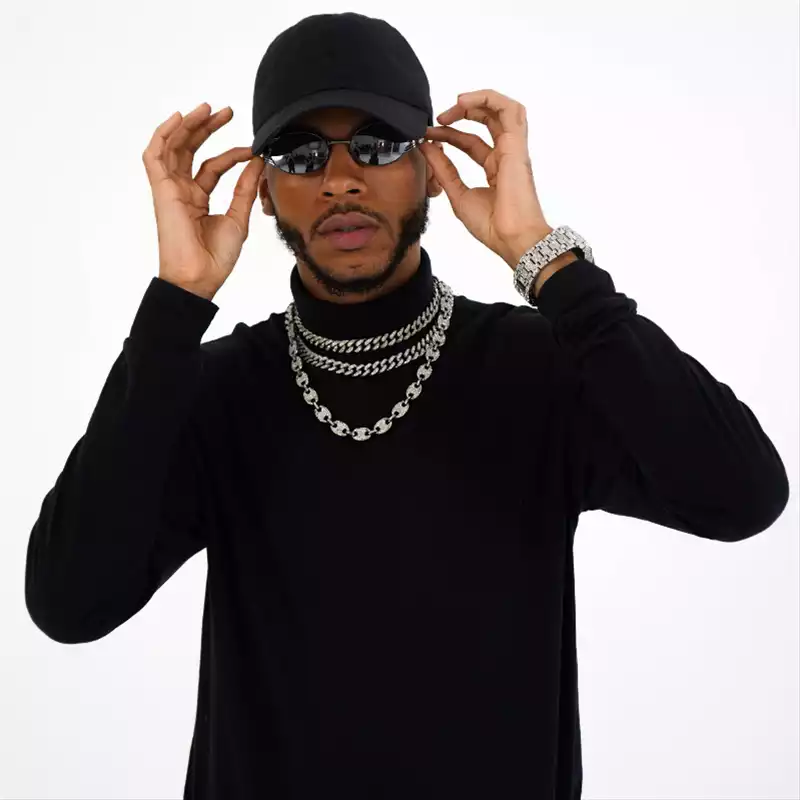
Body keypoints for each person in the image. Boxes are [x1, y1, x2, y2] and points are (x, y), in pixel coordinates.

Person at [24, 12, 790, 800]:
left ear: (431, 166)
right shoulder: (214, 390)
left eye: (379, 144)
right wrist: (175, 307)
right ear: (264, 189)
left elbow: (741, 495)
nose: (340, 180)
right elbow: (69, 603)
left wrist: (548, 263)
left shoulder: (540, 367)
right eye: (302, 155)